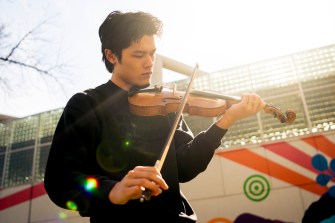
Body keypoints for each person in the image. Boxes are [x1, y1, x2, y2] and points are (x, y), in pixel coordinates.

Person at [44, 10, 265, 223]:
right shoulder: (85, 104)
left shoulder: (164, 103)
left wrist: (225, 121)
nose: (150, 62)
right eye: (139, 54)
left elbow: (186, 167)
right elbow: (60, 181)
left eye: (152, 53)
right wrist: (113, 190)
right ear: (111, 55)